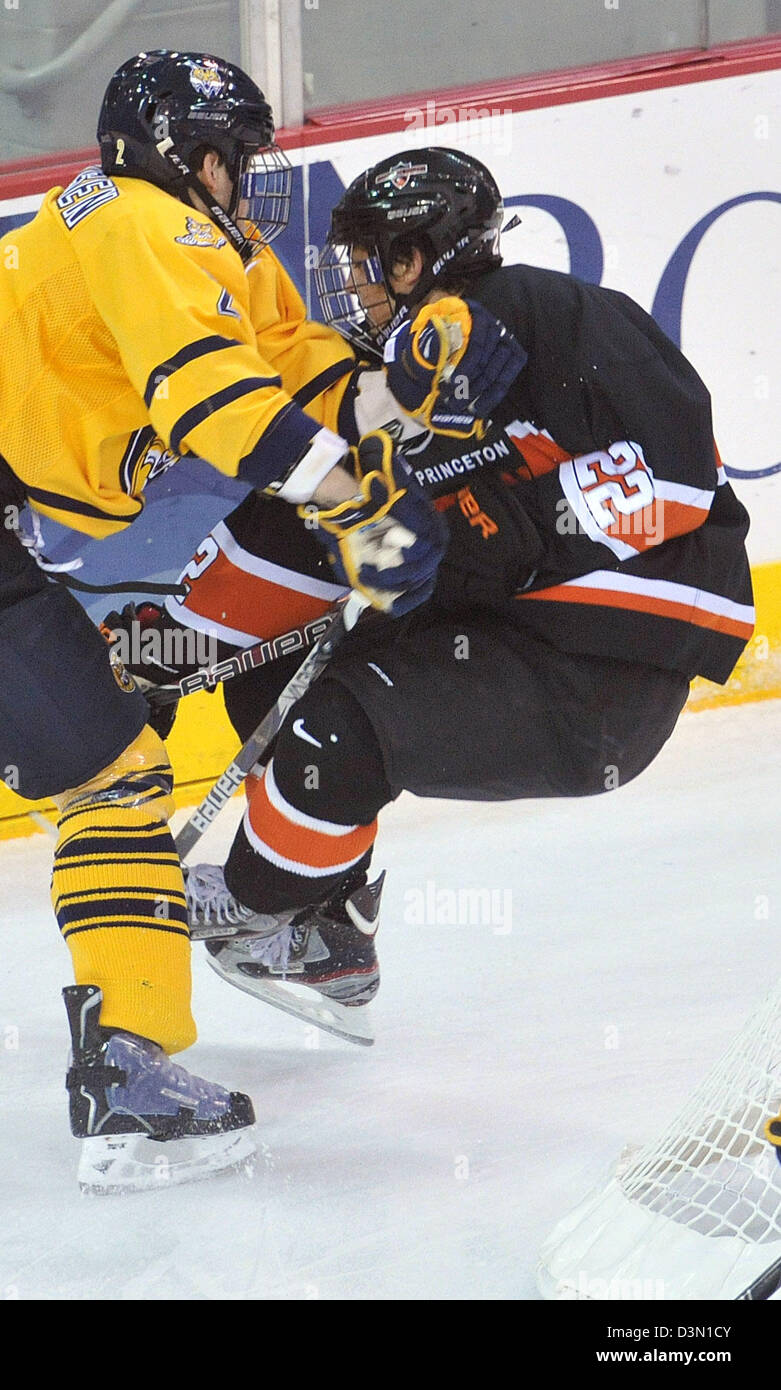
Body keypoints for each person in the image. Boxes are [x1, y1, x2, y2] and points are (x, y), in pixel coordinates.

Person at [0, 61, 511, 1190]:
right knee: (116, 776)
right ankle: (127, 1075)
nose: (243, 177)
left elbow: (297, 372)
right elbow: (214, 405)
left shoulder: (169, 238)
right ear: (186, 154)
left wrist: (409, 388)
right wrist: (352, 504)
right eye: (234, 154)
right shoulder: (147, 223)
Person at [138, 147, 754, 1044]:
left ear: (413, 256)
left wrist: (501, 526)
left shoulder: (553, 314)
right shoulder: (389, 378)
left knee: (335, 727)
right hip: (503, 637)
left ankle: (256, 900)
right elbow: (313, 519)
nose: (352, 285)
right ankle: (326, 935)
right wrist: (176, 648)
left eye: (363, 263)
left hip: (599, 676)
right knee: (267, 686)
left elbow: (676, 481)